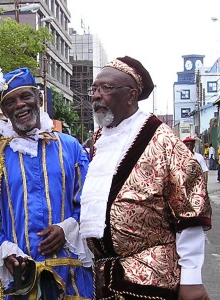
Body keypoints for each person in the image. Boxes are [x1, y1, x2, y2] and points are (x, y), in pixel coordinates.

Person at [79, 56, 212, 299]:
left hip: (152, 279)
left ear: (131, 95)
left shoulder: (163, 140)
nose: (96, 95)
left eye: (106, 88)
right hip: (106, 278)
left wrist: (191, 279)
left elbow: (190, 212)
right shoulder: (99, 140)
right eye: (94, 88)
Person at [0, 67, 94, 299]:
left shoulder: (70, 147)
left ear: (39, 98)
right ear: (4, 110)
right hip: (19, 280)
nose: (20, 105)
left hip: (69, 276)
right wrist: (4, 250)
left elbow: (91, 202)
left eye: (25, 96)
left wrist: (67, 229)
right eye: (11, 101)